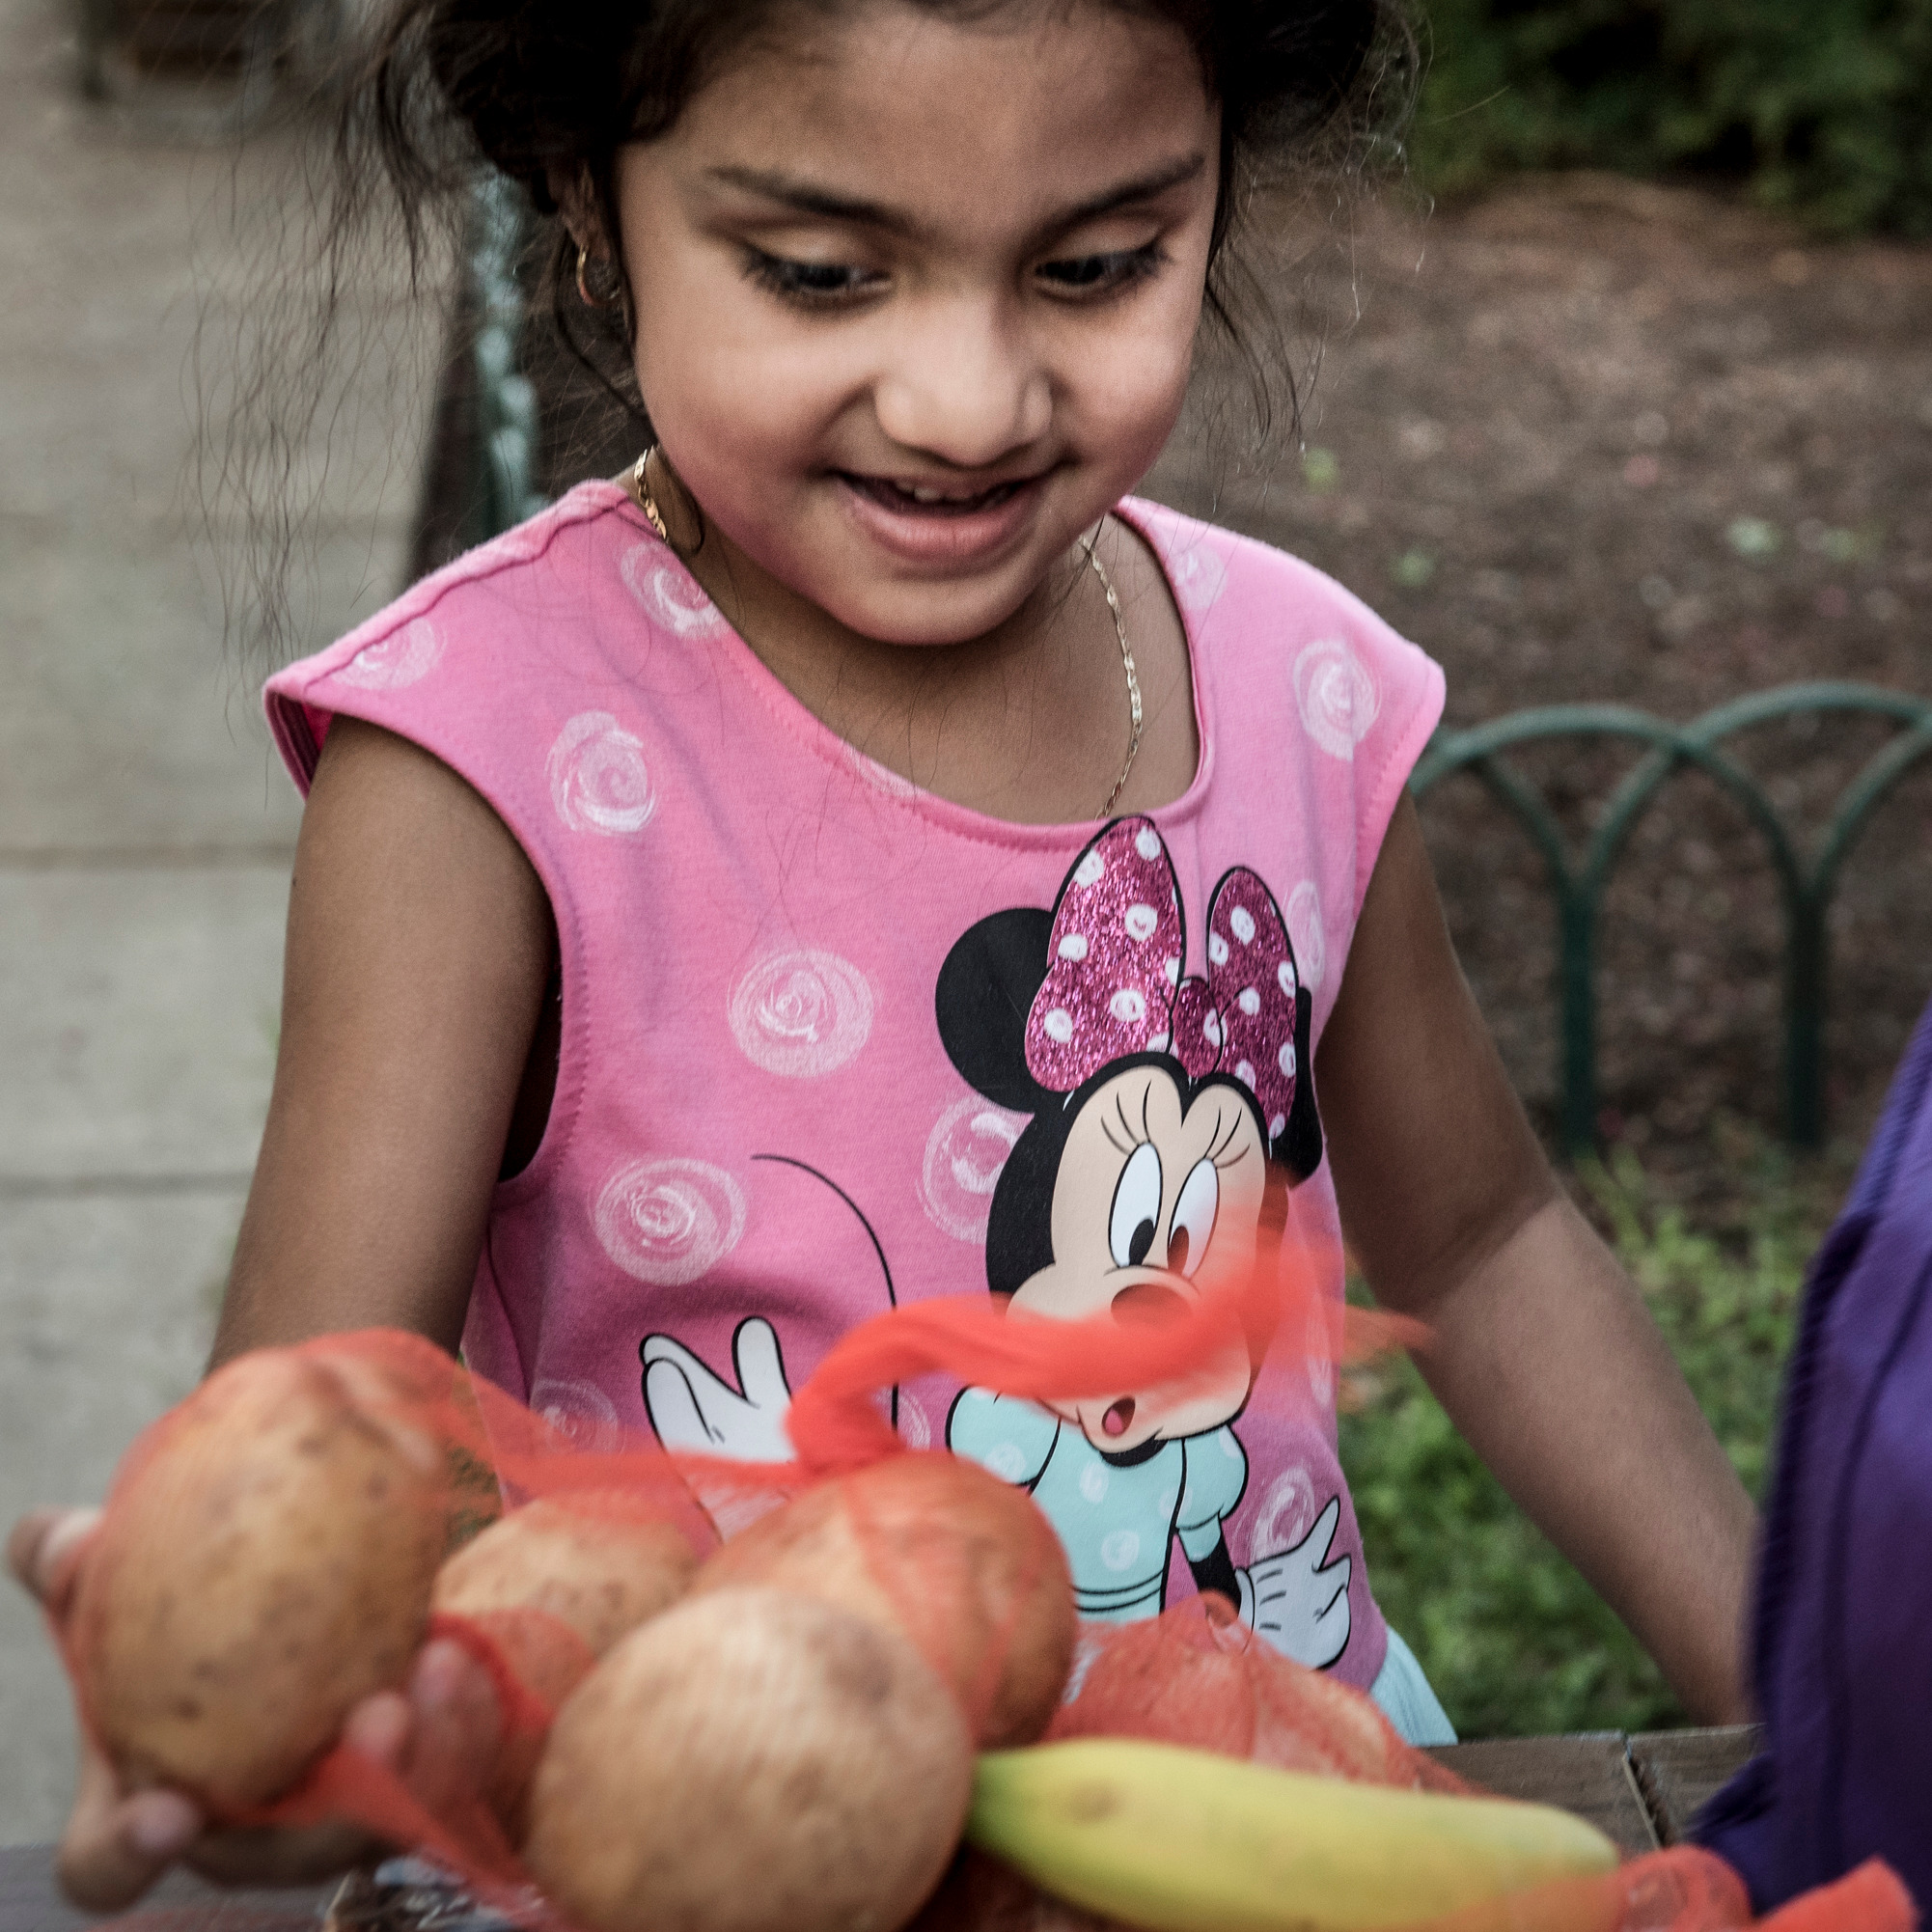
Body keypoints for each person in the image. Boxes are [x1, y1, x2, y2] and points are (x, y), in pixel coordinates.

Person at [8, 0, 1757, 1909]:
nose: (964, 395)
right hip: (698, 1859)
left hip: (1257, 1823)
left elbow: (1485, 1238)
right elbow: (309, 1458)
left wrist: (1796, 1688)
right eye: (821, 271)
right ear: (589, 206)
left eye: (1092, 265)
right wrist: (286, 1744)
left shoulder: (1292, 688)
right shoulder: (487, 767)